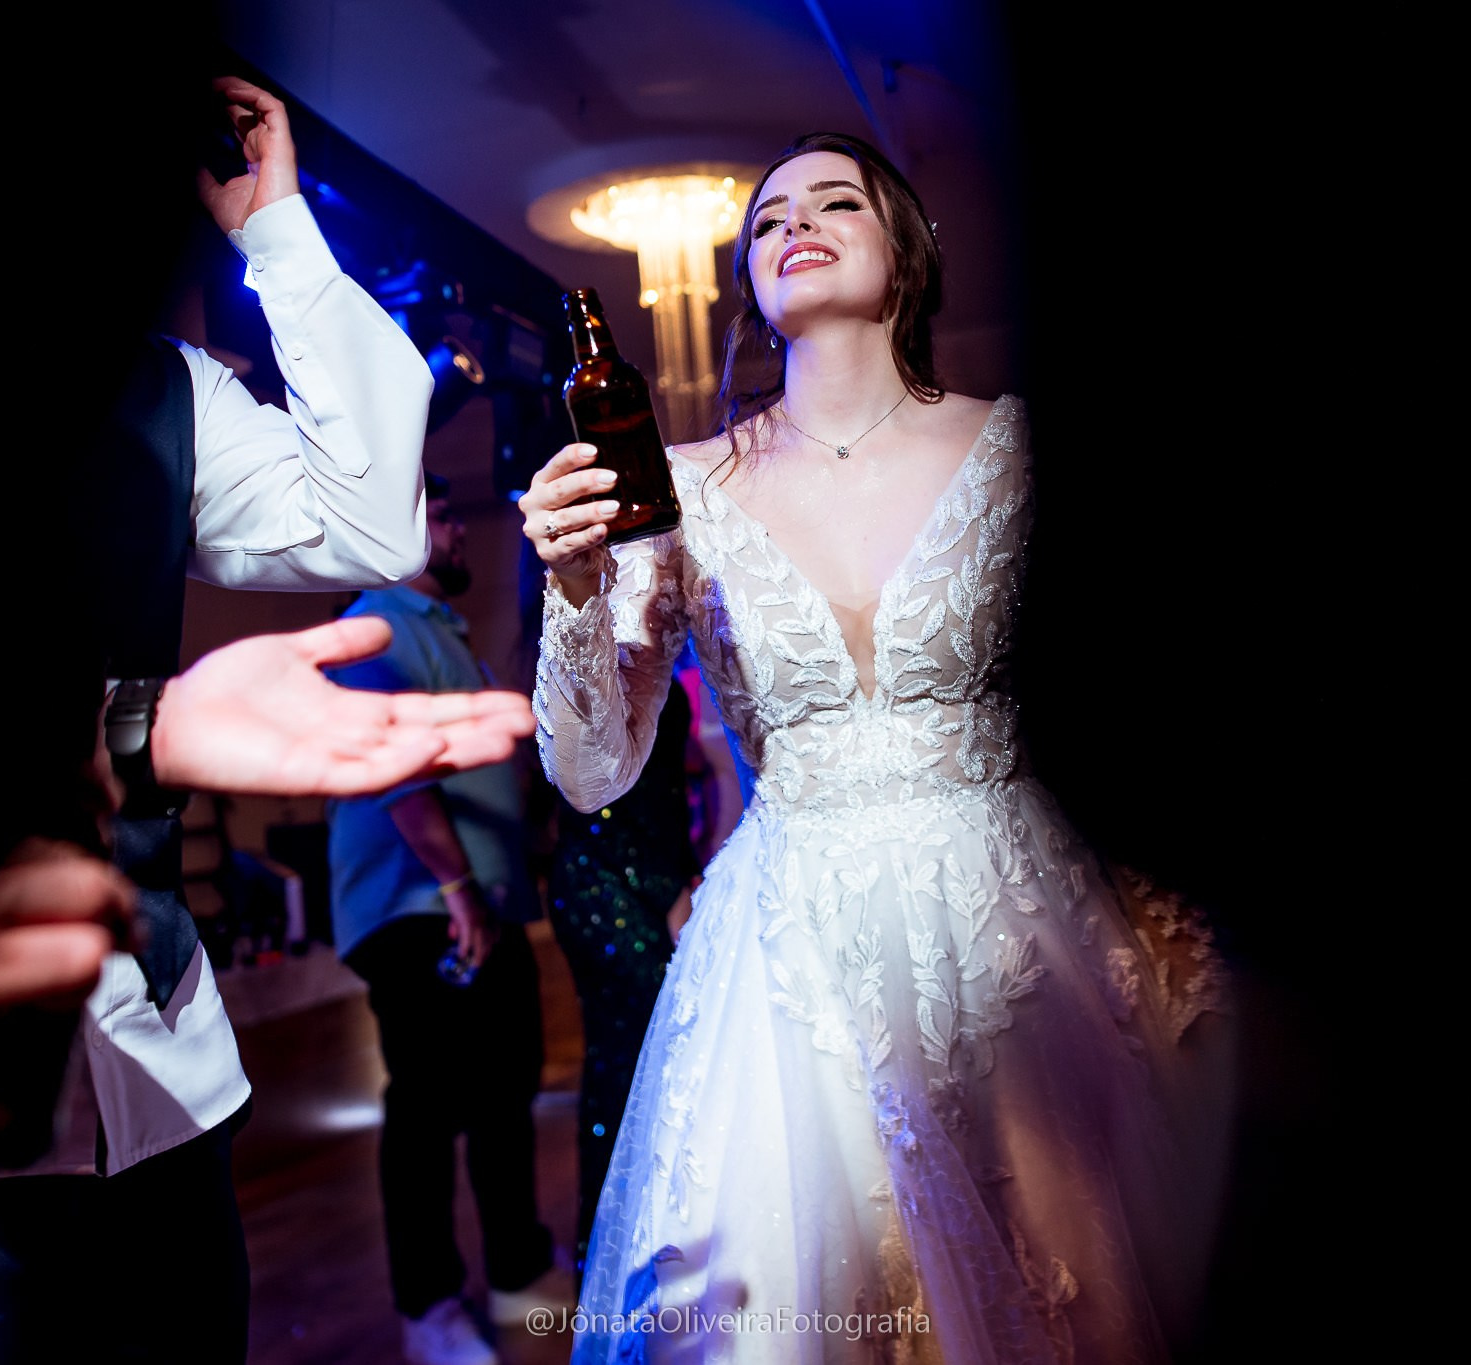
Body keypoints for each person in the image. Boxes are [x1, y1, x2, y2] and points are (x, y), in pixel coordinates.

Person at [520, 132, 1238, 1363]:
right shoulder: (679, 485)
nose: (793, 222)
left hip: (1017, 929)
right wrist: (578, 588)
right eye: (764, 219)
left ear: (903, 252)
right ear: (747, 279)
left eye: (834, 200)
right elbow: (594, 768)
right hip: (788, 957)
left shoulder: (1019, 449)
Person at [0, 68, 534, 1365]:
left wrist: (276, 235)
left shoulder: (166, 387)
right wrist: (145, 731)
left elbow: (375, 524)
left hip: (166, 1084)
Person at [324, 471, 572, 1365]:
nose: (460, 531)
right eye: (440, 516)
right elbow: (393, 768)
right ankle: (426, 1305)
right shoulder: (377, 623)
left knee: (506, 1095)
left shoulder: (443, 632)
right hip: (420, 909)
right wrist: (460, 887)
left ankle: (515, 1271)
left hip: (476, 907)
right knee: (428, 1109)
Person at [541, 653, 713, 1278]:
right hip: (608, 884)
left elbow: (666, 790)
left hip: (647, 875)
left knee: (642, 1062)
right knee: (631, 1066)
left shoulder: (650, 636)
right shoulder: (587, 648)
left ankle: (631, 1245)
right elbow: (601, 796)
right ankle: (613, 1254)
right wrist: (671, 889)